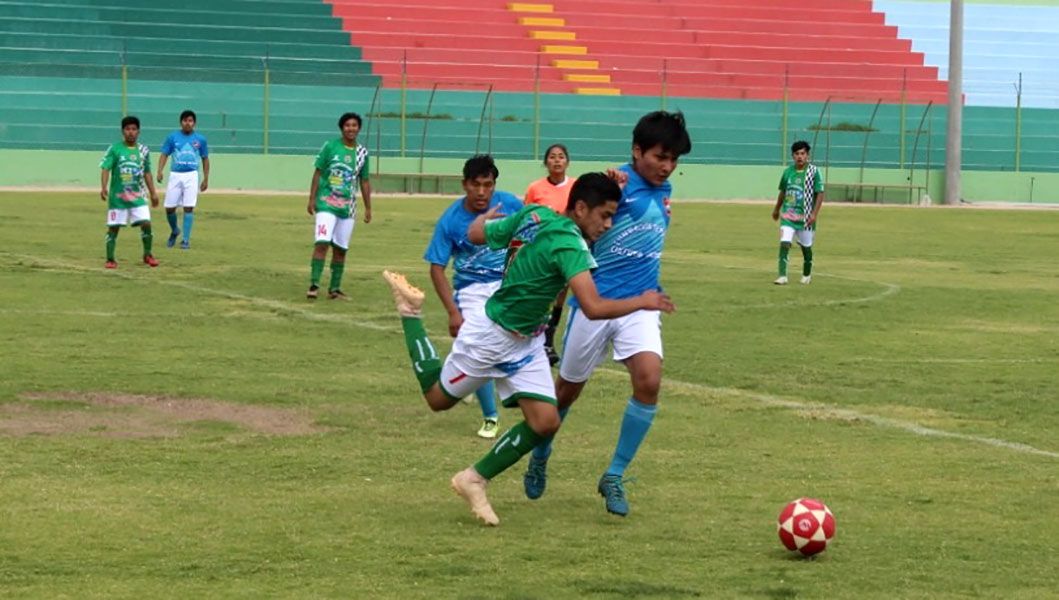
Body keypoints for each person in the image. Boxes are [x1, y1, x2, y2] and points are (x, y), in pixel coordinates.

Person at [382, 173, 674, 526]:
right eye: (605, 215)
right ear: (581, 208)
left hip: (527, 341)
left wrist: (481, 222)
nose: (609, 224)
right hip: (491, 336)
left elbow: (476, 234)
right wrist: (643, 300)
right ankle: (410, 311)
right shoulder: (570, 245)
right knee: (437, 399)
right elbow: (593, 307)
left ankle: (474, 478)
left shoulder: (532, 216)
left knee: (545, 422)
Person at [524, 110, 692, 518]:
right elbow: (574, 221)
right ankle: (540, 453)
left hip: (640, 305)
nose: (667, 166)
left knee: (649, 380)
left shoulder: (663, 190)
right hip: (594, 304)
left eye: (673, 160)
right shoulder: (613, 184)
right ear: (637, 152)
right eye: (660, 156)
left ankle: (614, 474)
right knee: (566, 392)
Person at [424, 155, 523, 439]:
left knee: (517, 338)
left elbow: (530, 236)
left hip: (507, 285)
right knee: (481, 343)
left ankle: (470, 383)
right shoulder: (451, 219)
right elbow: (437, 268)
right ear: (465, 184)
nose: (482, 192)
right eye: (476, 185)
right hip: (471, 290)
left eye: (487, 185)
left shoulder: (511, 206)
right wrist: (453, 312)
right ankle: (491, 416)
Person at [306, 112, 372, 300]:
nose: (351, 128)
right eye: (347, 125)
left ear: (359, 128)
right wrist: (311, 199)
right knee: (322, 242)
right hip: (326, 203)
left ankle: (334, 289)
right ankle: (314, 284)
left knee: (341, 248)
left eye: (354, 125)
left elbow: (364, 181)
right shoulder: (330, 146)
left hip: (348, 208)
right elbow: (318, 173)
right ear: (342, 128)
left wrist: (368, 207)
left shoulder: (362, 154)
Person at [523, 143, 573, 365]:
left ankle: (549, 339)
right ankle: (537, 338)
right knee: (543, 291)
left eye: (561, 157)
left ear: (567, 162)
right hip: (542, 249)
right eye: (552, 157)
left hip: (566, 247)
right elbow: (527, 218)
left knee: (561, 292)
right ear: (546, 163)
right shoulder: (535, 188)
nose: (557, 160)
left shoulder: (575, 186)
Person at [99, 115, 160, 269]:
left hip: (137, 197)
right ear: (122, 131)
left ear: (138, 131)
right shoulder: (115, 149)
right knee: (114, 227)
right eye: (127, 129)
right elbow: (106, 168)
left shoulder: (143, 151)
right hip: (118, 198)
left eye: (134, 129)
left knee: (146, 223)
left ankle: (148, 254)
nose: (131, 132)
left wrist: (153, 193)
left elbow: (147, 173)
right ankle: (110, 259)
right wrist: (104, 187)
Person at [772, 140, 825, 285]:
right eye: (796, 154)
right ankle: (782, 276)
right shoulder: (788, 172)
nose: (799, 156)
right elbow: (783, 192)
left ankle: (807, 274)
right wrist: (777, 209)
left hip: (806, 218)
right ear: (793, 156)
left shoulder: (814, 172)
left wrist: (814, 214)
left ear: (807, 155)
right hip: (788, 217)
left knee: (806, 246)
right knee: (784, 243)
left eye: (802, 153)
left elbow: (820, 193)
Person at [156, 110, 209, 250]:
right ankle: (174, 230)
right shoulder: (173, 137)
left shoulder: (200, 140)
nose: (188, 123)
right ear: (181, 122)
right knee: (169, 208)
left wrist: (205, 178)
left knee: (188, 207)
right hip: (175, 175)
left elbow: (205, 159)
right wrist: (160, 170)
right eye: (185, 120)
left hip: (192, 175)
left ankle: (185, 240)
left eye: (190, 121)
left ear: (194, 123)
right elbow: (164, 154)